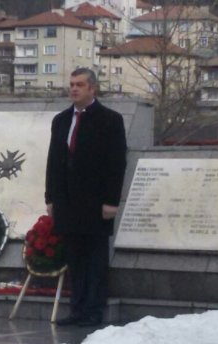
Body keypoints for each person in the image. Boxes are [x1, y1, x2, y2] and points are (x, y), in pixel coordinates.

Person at [45, 68, 127, 327]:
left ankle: (93, 310)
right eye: (71, 84)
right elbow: (53, 162)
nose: (74, 89)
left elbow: (116, 164)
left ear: (93, 88)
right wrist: (51, 197)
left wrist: (111, 201)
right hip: (67, 203)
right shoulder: (61, 120)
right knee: (75, 259)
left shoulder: (110, 120)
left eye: (79, 84)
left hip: (95, 203)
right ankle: (77, 309)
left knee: (94, 259)